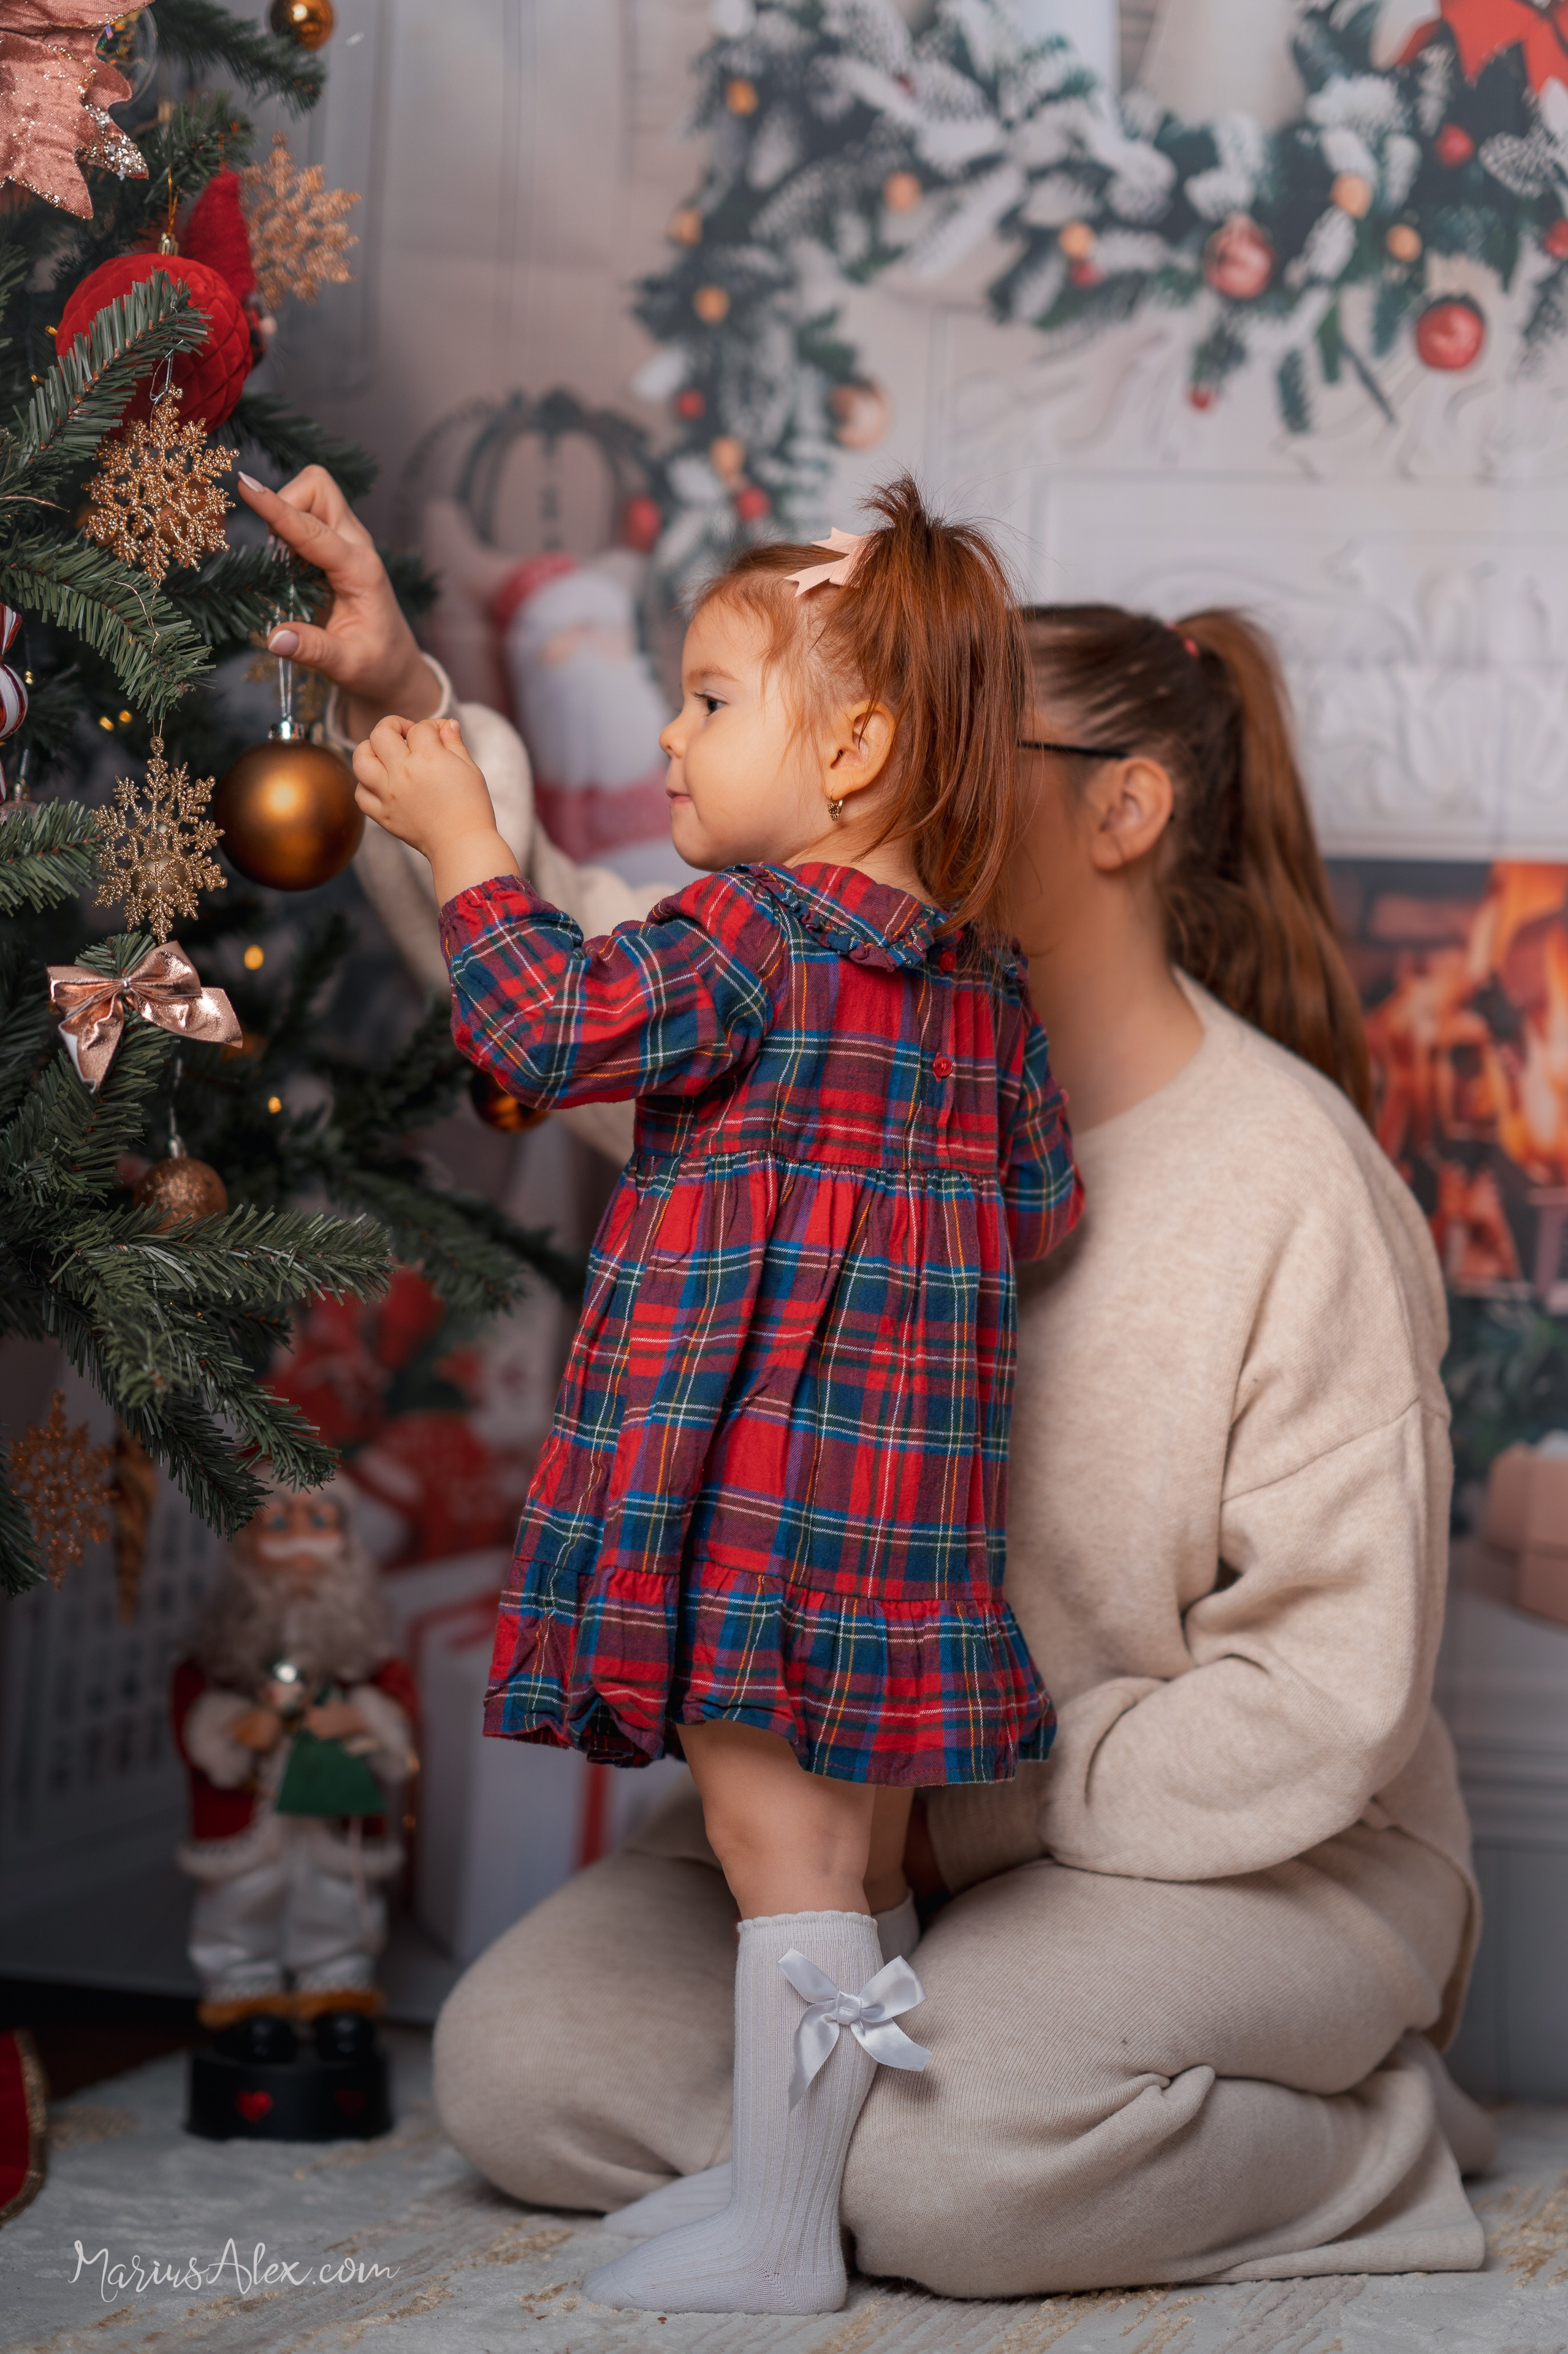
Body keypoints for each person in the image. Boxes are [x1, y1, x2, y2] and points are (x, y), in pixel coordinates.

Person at [238, 467, 1493, 2294]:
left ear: (1123, 808)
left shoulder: (1290, 1181)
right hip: (877, 1786)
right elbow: (569, 972)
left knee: (954, 2174)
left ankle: (1365, 2138)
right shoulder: (812, 1028)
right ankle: (842, 2138)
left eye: (988, 724)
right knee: (520, 2063)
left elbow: (1326, 1692)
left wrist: (992, 1795)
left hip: (1213, 1851)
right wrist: (404, 705)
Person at [332, 476, 1081, 2315]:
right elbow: (1046, 1206)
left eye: (710, 699)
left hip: (763, 1487)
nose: (670, 732)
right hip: (910, 1508)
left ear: (854, 742)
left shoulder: (748, 933)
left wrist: (463, 851)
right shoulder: (984, 988)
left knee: (772, 1844)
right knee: (849, 1843)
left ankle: (778, 2232)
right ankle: (792, 2189)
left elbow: (542, 1025)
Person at [171, 1476, 417, 2029]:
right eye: (280, 1523)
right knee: (241, 1898)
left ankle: (337, 1985)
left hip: (333, 1808)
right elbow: (191, 1702)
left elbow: (397, 1703)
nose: (301, 1543)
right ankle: (241, 1991)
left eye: (319, 1522)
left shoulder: (363, 1648)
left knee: (335, 1895)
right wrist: (235, 1728)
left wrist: (360, 1718)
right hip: (248, 1811)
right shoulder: (224, 1647)